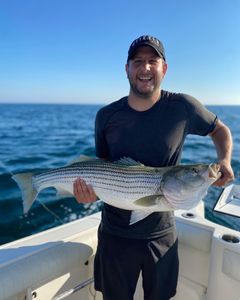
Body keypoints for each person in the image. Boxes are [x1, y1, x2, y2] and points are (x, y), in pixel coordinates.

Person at [73, 35, 234, 300]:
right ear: (127, 68)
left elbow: (220, 130)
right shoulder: (106, 116)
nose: (145, 68)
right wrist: (88, 192)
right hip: (114, 235)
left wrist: (225, 160)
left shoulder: (183, 107)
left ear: (164, 68)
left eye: (152, 61)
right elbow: (101, 167)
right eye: (138, 61)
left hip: (161, 234)